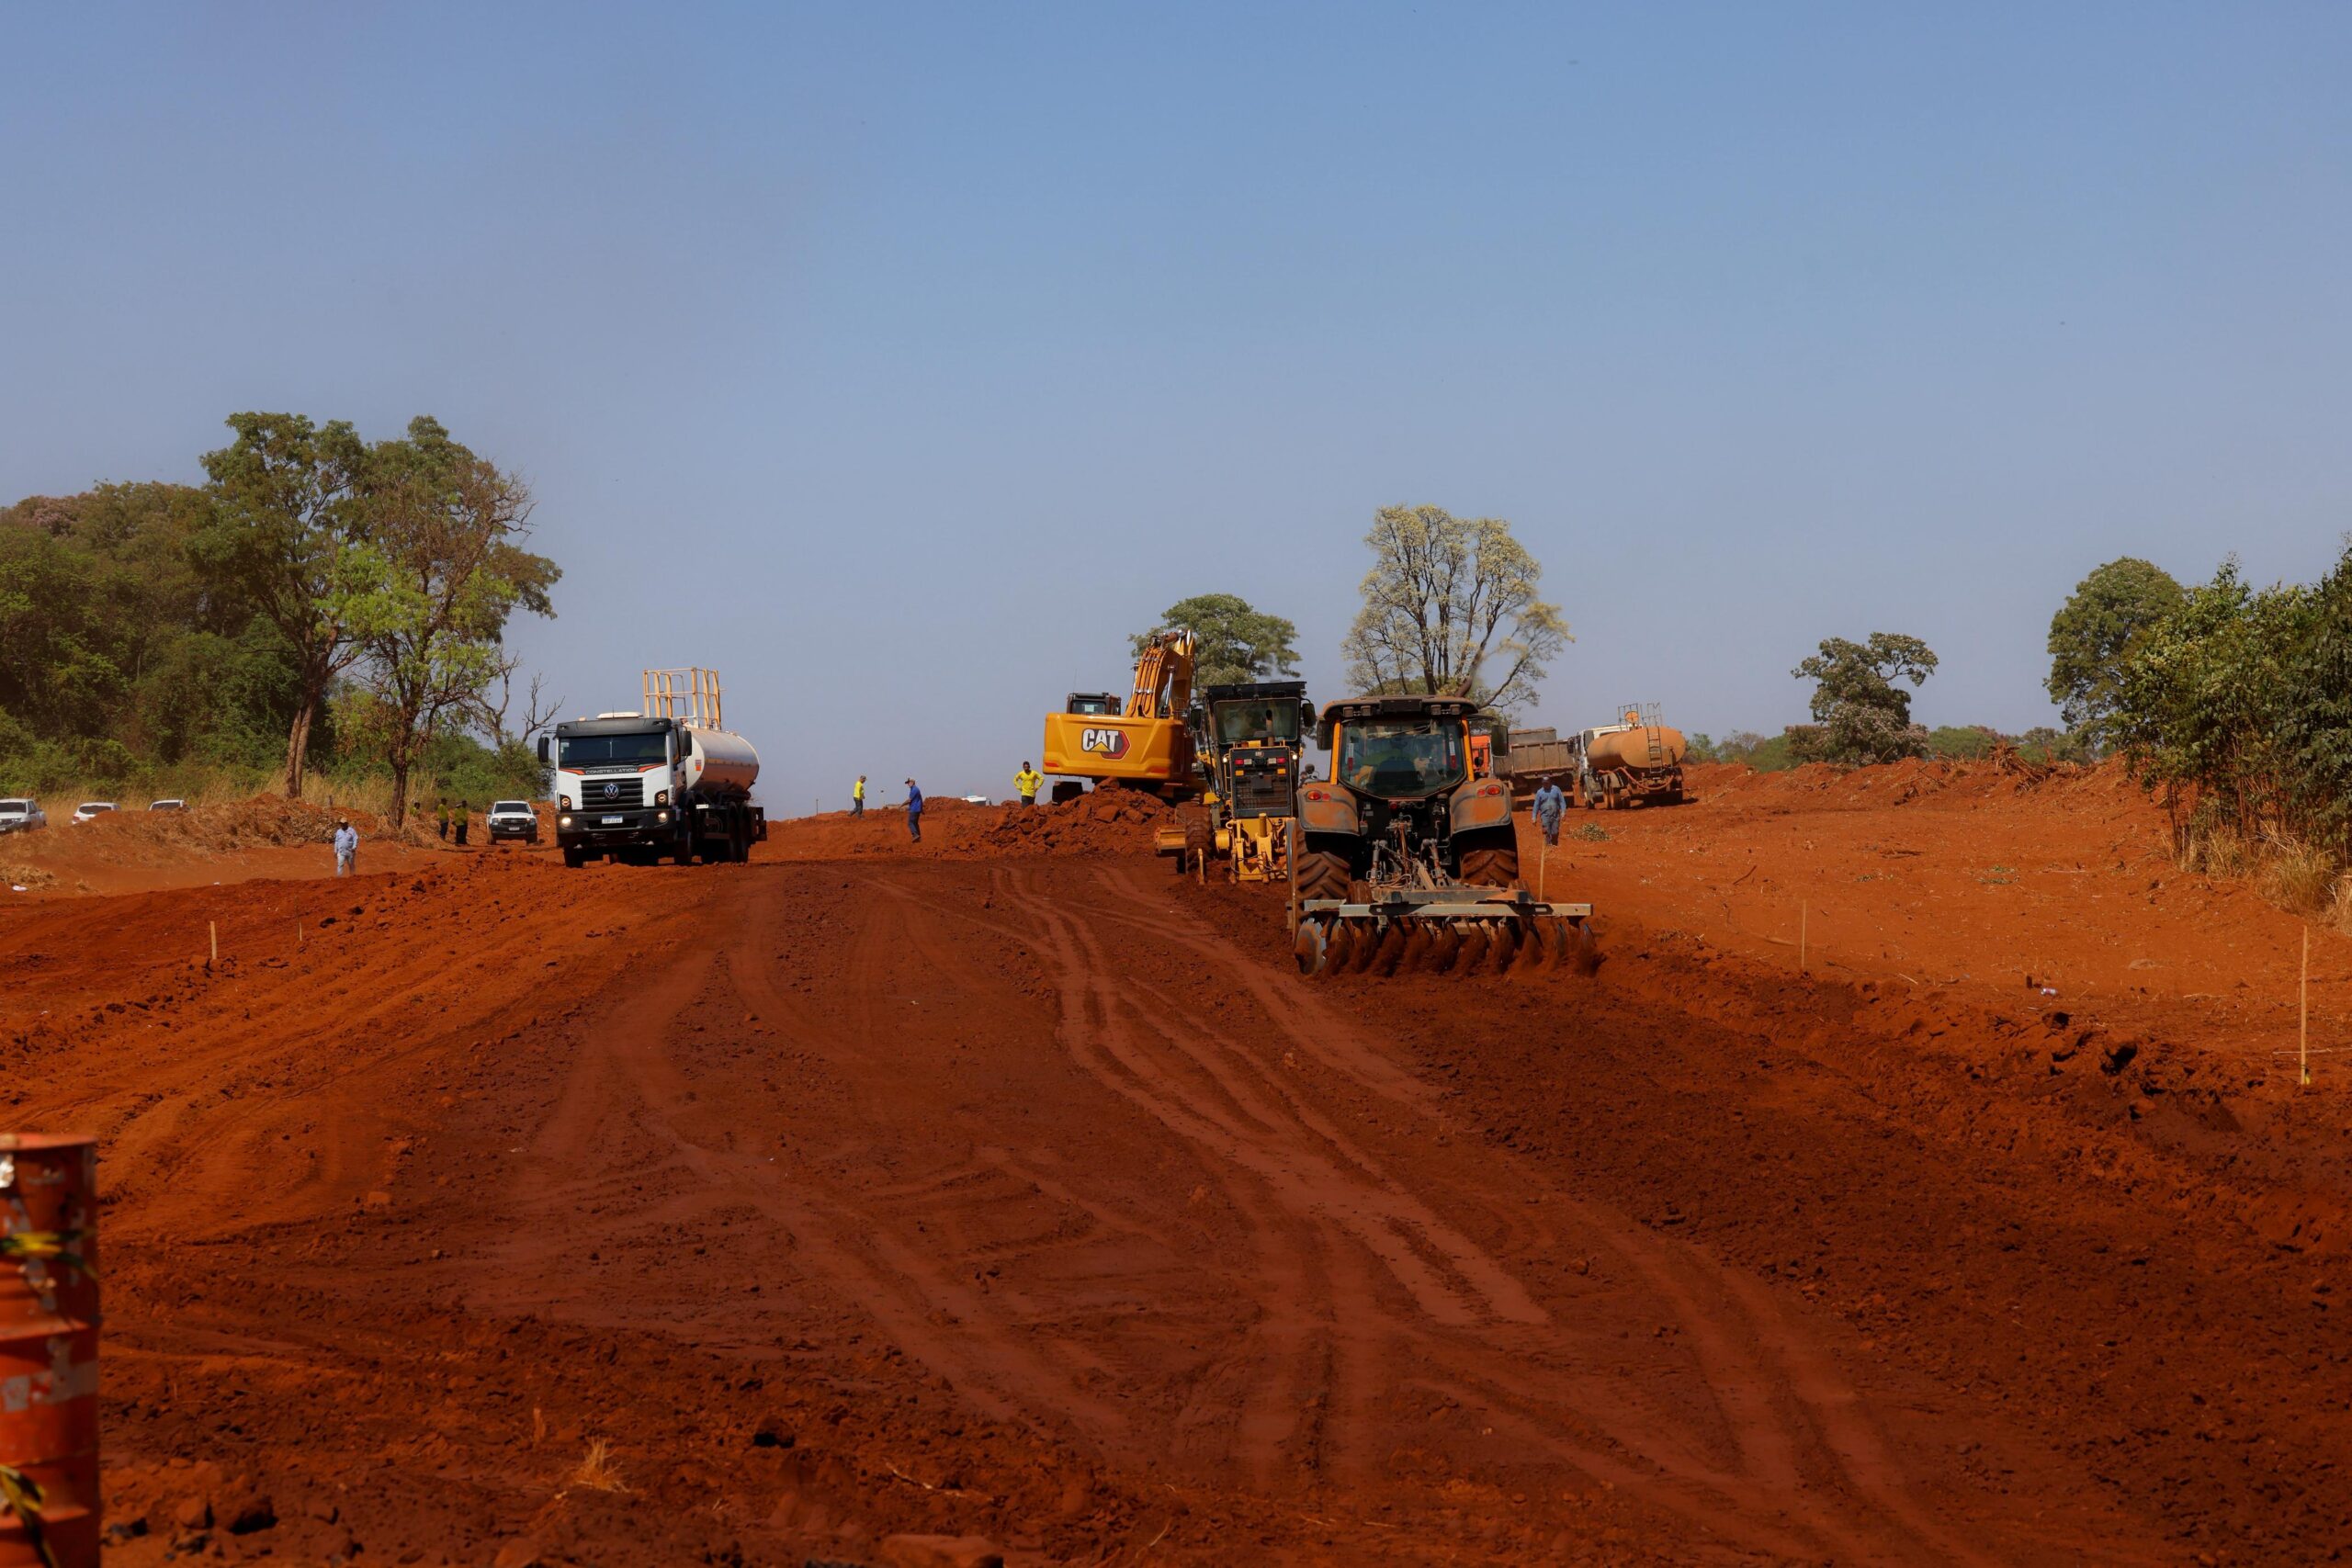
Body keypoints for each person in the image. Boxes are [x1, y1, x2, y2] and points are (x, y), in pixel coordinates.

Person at [1532, 780, 1567, 846]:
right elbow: (1536, 805)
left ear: (1550, 783)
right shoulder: (1540, 792)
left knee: (1555, 832)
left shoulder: (1556, 789)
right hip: (1545, 815)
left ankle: (1554, 844)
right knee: (1546, 831)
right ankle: (1548, 846)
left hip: (1555, 815)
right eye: (1544, 784)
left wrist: (1563, 812)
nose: (1545, 785)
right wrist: (1534, 818)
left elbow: (1562, 801)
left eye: (1547, 783)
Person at [904, 778, 924, 842]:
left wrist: (901, 805)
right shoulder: (915, 789)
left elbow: (909, 800)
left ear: (912, 782)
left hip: (914, 809)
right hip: (917, 809)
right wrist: (921, 808)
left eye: (908, 783)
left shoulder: (914, 789)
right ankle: (918, 838)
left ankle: (915, 835)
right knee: (915, 823)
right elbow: (920, 799)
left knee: (910, 823)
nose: (908, 784)